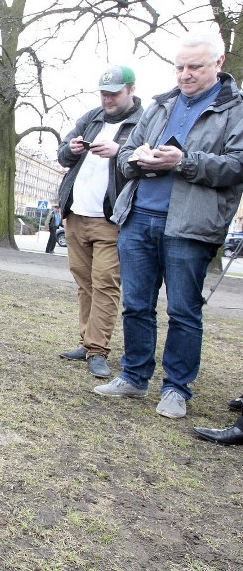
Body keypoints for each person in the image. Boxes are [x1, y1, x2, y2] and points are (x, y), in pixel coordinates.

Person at [94, 34, 243, 419]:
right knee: (136, 304)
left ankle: (176, 388)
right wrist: (136, 159)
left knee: (183, 311)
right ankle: (134, 376)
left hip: (190, 225)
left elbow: (237, 166)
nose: (185, 74)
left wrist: (183, 161)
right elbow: (127, 152)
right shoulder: (161, 105)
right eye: (179, 67)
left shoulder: (235, 109)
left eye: (195, 66)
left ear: (219, 62)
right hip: (139, 216)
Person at [57, 66, 144, 379]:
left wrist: (120, 152)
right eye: (104, 93)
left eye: (114, 93)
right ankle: (87, 341)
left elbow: (146, 164)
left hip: (111, 219)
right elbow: (62, 154)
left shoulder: (142, 122)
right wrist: (71, 148)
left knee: (105, 284)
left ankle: (97, 350)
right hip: (77, 214)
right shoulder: (92, 117)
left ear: (130, 90)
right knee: (84, 283)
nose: (107, 99)